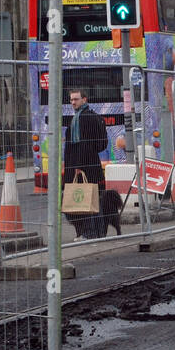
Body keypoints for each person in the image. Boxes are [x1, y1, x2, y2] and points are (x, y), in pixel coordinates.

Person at [63, 88, 110, 239]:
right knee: (94, 199)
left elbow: (81, 145)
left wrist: (78, 166)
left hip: (81, 166)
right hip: (92, 164)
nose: (73, 102)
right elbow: (101, 144)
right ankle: (98, 232)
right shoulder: (93, 117)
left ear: (84, 100)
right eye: (71, 99)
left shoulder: (82, 119)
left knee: (83, 200)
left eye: (76, 99)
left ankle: (88, 232)